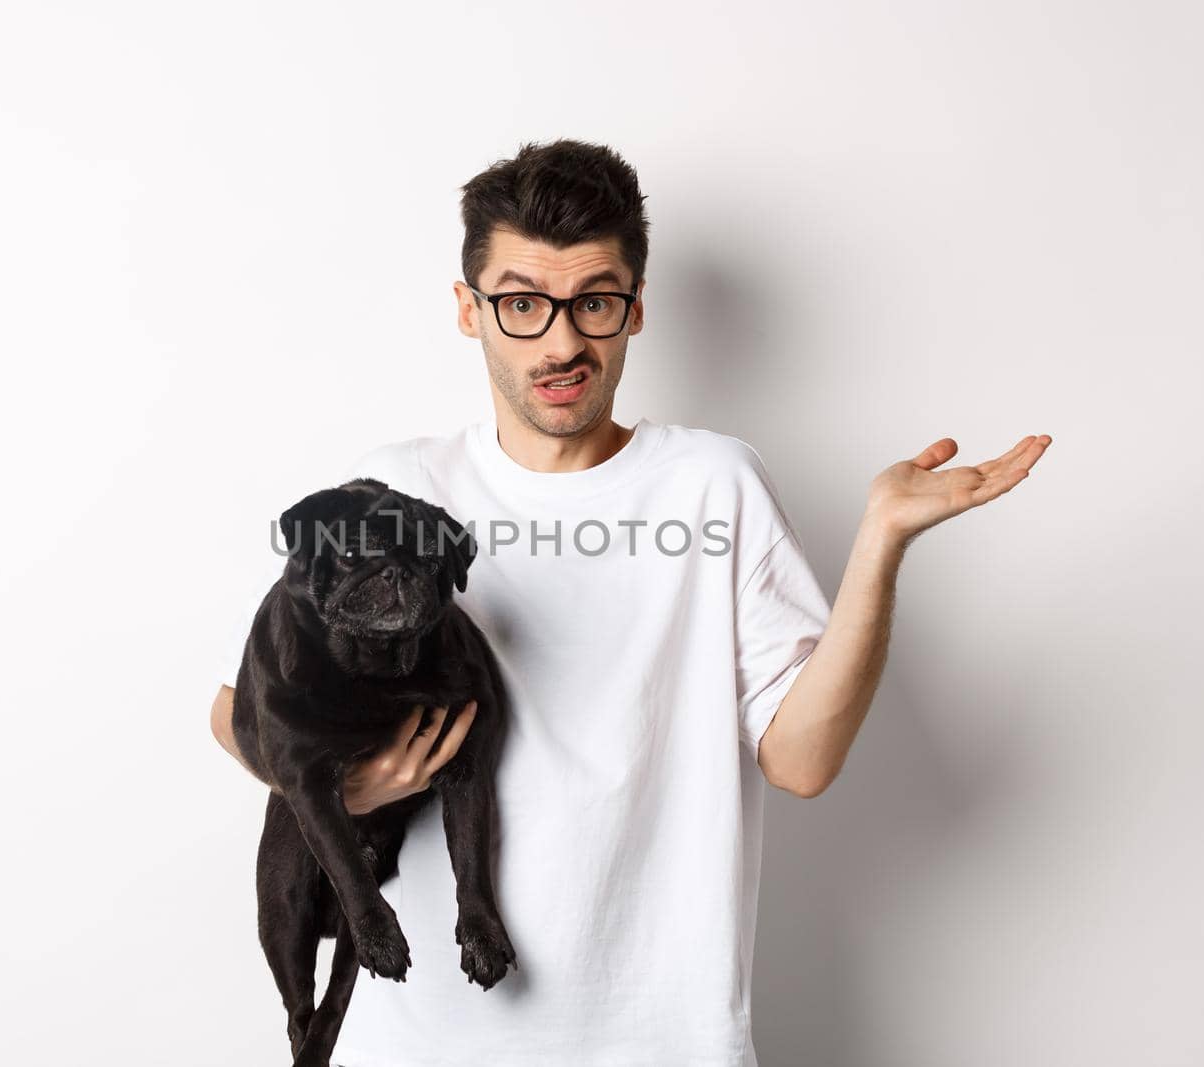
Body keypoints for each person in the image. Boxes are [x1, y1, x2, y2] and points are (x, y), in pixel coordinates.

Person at [209, 138, 1051, 1066]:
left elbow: (803, 760)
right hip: (415, 1038)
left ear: (634, 308)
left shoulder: (712, 484)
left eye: (593, 302)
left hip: (658, 1034)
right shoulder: (394, 488)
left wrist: (881, 543)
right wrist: (355, 788)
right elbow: (238, 709)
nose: (562, 341)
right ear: (469, 309)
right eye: (523, 303)